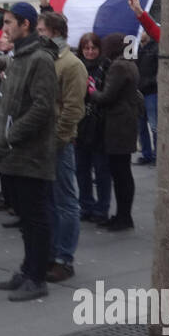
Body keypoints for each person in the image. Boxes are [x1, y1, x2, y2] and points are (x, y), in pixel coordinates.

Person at [0, 1, 58, 301]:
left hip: (29, 153)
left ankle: (37, 276)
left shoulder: (40, 59)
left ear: (25, 25)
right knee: (26, 217)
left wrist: (10, 135)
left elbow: (42, 107)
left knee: (35, 217)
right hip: (15, 154)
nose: (4, 29)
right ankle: (28, 269)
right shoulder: (19, 55)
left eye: (9, 23)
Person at [39, 10, 86, 281]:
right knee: (51, 201)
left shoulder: (70, 64)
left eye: (42, 31)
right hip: (44, 142)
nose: (39, 35)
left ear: (54, 32)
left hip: (59, 143)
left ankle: (64, 258)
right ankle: (53, 252)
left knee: (66, 201)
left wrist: (58, 138)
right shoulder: (48, 59)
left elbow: (72, 109)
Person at [90, 32, 140, 230]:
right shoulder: (130, 63)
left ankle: (124, 216)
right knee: (122, 171)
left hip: (118, 124)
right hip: (125, 122)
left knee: (120, 173)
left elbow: (107, 96)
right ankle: (122, 214)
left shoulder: (118, 66)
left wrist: (92, 91)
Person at [74, 32, 111, 223]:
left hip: (99, 125)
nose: (89, 52)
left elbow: (107, 95)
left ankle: (102, 208)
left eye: (93, 48)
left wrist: (93, 93)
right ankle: (86, 204)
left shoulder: (106, 66)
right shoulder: (77, 67)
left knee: (102, 170)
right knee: (81, 169)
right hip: (80, 124)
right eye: (86, 48)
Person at [135, 29, 158, 164]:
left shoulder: (155, 48)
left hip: (151, 92)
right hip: (138, 92)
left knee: (155, 126)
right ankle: (146, 154)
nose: (140, 33)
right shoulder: (136, 47)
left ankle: (157, 155)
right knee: (141, 125)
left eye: (143, 30)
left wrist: (147, 82)